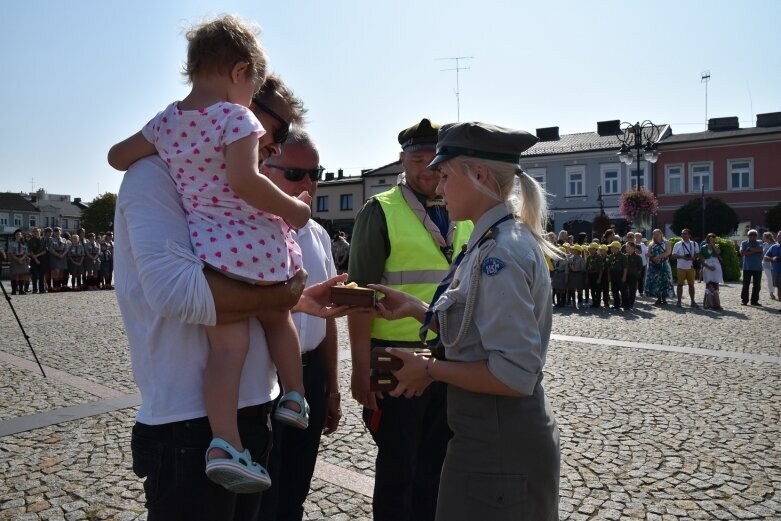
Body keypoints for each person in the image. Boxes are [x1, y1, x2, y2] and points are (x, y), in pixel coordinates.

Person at [116, 73, 343, 519]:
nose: (272, 144)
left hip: (254, 409)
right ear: (234, 99)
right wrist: (282, 295)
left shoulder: (236, 183)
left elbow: (243, 279)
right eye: (274, 129)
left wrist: (294, 300)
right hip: (188, 424)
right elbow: (176, 293)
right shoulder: (155, 174)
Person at [370, 121, 560, 520]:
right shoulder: (493, 240)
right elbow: (476, 328)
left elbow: (513, 374)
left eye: (445, 175)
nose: (438, 187)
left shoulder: (500, 255)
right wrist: (415, 308)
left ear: (480, 175)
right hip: (485, 440)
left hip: (497, 446)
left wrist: (429, 370)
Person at [347, 118, 474, 521]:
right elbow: (359, 296)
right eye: (417, 158)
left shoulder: (464, 213)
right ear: (402, 160)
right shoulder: (380, 210)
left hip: (450, 358)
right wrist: (360, 369)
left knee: (438, 465)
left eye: (435, 159)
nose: (428, 168)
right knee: (399, 469)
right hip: (395, 359)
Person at [257, 129, 348, 521]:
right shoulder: (249, 226)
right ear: (264, 168)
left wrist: (331, 387)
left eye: (317, 174)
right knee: (262, 494)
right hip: (261, 377)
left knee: (295, 489)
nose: (309, 184)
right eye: (297, 173)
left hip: (308, 374)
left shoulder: (318, 233)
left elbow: (327, 320)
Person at [671, 228, 700, 308]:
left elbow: (697, 254)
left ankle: (693, 301)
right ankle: (679, 301)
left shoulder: (694, 244)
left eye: (685, 234)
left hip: (691, 267)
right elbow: (673, 256)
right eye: (682, 233)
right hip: (681, 267)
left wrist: (693, 257)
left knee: (691, 285)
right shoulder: (677, 244)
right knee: (680, 284)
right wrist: (682, 257)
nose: (683, 235)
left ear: (689, 235)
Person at [645, 229, 673, 306]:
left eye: (657, 234)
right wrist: (654, 258)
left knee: (665, 280)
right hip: (654, 265)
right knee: (656, 281)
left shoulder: (666, 242)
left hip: (664, 264)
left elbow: (668, 252)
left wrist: (658, 257)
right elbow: (648, 253)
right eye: (654, 234)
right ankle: (658, 298)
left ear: (661, 234)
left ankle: (664, 298)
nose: (656, 236)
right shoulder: (651, 243)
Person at [740, 229, 764, 306]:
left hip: (757, 268)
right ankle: (744, 300)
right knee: (745, 285)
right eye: (751, 234)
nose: (753, 236)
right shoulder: (744, 243)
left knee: (757, 285)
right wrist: (754, 251)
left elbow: (760, 249)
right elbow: (742, 253)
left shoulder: (759, 242)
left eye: (754, 235)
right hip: (747, 267)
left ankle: (754, 301)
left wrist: (749, 250)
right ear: (748, 236)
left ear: (756, 236)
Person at [7, 229, 31, 295]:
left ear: (22, 235)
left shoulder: (25, 243)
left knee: (22, 275)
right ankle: (14, 290)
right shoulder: (11, 243)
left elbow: (26, 252)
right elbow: (11, 252)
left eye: (20, 234)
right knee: (14, 275)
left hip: (23, 259)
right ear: (15, 235)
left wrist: (21, 259)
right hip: (15, 259)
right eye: (17, 234)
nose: (19, 235)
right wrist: (18, 259)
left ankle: (21, 290)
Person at [763, 231, 781, 312]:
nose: (777, 237)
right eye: (777, 236)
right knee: (779, 288)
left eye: (779, 236)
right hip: (776, 271)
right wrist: (772, 259)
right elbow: (765, 257)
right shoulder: (774, 246)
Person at [47, 227, 70, 292]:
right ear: (53, 233)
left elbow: (66, 248)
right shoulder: (51, 239)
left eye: (58, 231)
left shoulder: (64, 240)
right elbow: (50, 248)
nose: (57, 233)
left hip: (63, 256)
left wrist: (63, 255)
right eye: (56, 231)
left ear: (61, 232)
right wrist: (58, 255)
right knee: (56, 272)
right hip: (55, 256)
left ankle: (59, 287)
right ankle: (55, 287)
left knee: (61, 273)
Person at [607, 240, 626, 310]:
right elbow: (609, 267)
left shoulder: (623, 256)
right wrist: (609, 276)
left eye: (612, 247)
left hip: (620, 274)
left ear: (616, 248)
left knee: (623, 290)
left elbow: (625, 268)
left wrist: (624, 276)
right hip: (613, 274)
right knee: (614, 290)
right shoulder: (611, 256)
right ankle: (616, 304)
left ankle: (625, 304)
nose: (611, 249)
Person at [623, 242, 643, 310]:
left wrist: (636, 276)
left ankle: (631, 303)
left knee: (632, 290)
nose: (626, 248)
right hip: (625, 275)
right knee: (624, 290)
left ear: (632, 248)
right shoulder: (625, 256)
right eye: (626, 246)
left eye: (627, 246)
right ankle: (625, 303)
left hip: (633, 276)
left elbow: (640, 268)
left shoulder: (638, 257)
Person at [27, 227, 46, 293]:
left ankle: (41, 289)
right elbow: (30, 251)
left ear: (40, 232)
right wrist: (35, 259)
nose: (36, 232)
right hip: (33, 259)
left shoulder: (43, 240)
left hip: (42, 258)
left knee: (41, 275)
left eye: (37, 231)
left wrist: (37, 256)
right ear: (33, 233)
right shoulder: (30, 240)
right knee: (34, 275)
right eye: (34, 231)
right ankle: (34, 289)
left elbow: (45, 250)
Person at [761, 231, 776, 300]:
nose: (763, 238)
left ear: (768, 238)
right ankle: (771, 293)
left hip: (775, 264)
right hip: (765, 264)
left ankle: (778, 292)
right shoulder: (764, 244)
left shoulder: (775, 244)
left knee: (775, 279)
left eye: (764, 237)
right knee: (770, 279)